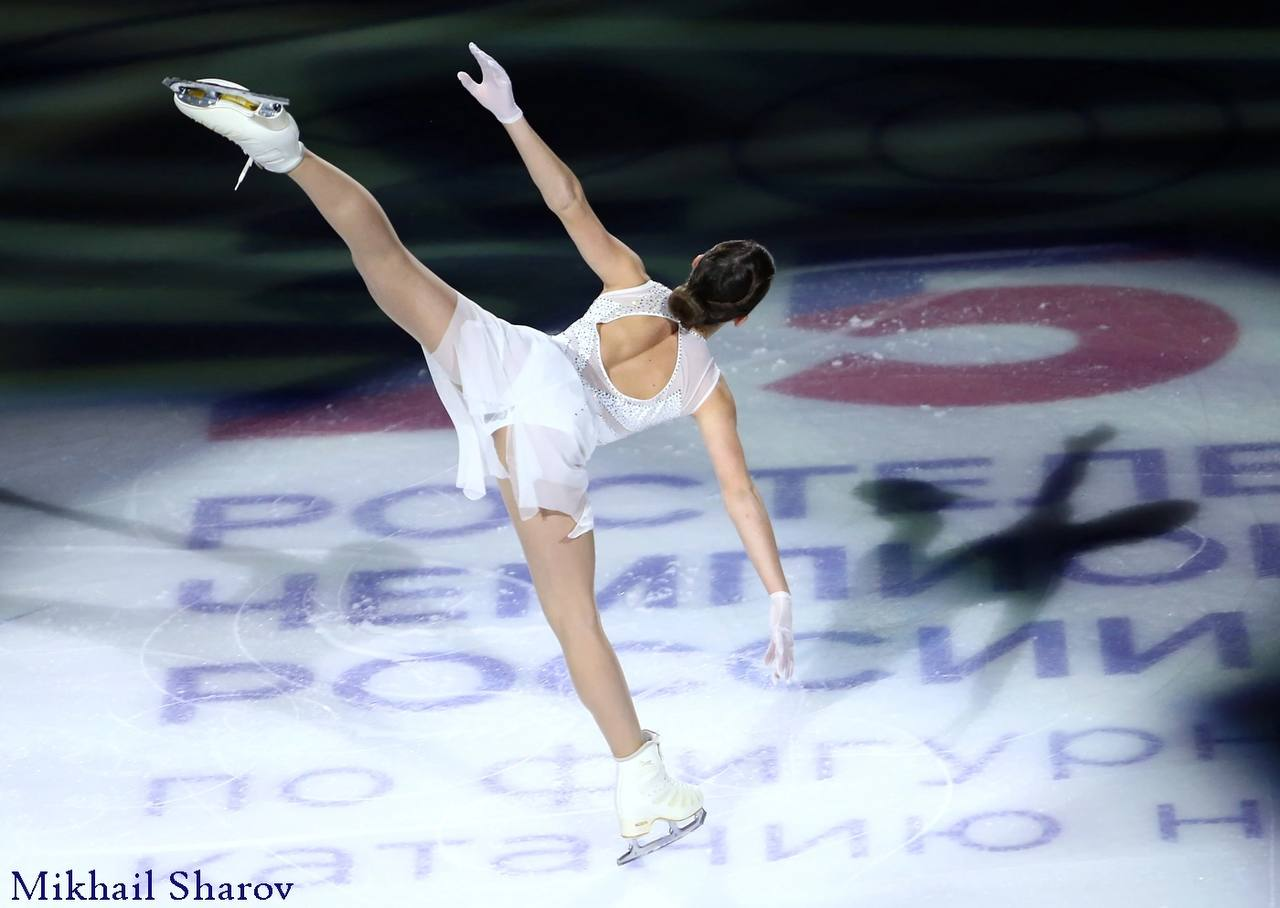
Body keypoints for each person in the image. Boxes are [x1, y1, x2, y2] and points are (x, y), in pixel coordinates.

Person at [165, 43, 795, 865]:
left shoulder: (632, 280)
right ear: (739, 319)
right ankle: (643, 786)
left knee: (385, 256)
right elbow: (739, 495)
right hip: (545, 434)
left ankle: (288, 153)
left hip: (513, 359)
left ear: (698, 264)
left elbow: (566, 199)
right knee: (575, 621)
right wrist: (777, 593)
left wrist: (511, 114)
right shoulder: (706, 386)